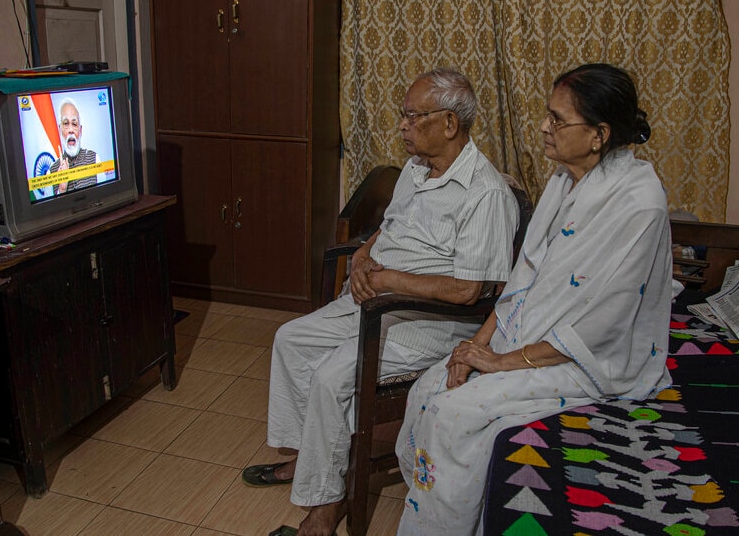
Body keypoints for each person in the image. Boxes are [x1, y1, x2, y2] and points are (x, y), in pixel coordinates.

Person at [395, 63, 673, 535]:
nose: (544, 127)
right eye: (547, 115)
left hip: (590, 359)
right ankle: (435, 512)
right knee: (429, 388)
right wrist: (474, 347)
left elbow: (602, 327)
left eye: (557, 120)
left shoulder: (638, 205)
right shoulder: (566, 180)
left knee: (453, 413)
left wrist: (502, 363)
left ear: (598, 135)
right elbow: (522, 279)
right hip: (529, 335)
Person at [244, 67, 520, 536]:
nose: (403, 125)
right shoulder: (415, 171)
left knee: (334, 375)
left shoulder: (485, 194)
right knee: (290, 338)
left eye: (414, 116)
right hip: (374, 298)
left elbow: (467, 291)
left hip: (426, 321)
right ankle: (304, 460)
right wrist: (364, 256)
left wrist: (391, 278)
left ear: (450, 123)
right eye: (403, 115)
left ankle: (325, 510)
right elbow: (388, 229)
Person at [49, 98, 98, 194]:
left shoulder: (95, 159)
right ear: (60, 130)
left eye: (74, 124)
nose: (71, 130)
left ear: (80, 130)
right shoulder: (51, 171)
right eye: (66, 123)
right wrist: (62, 189)